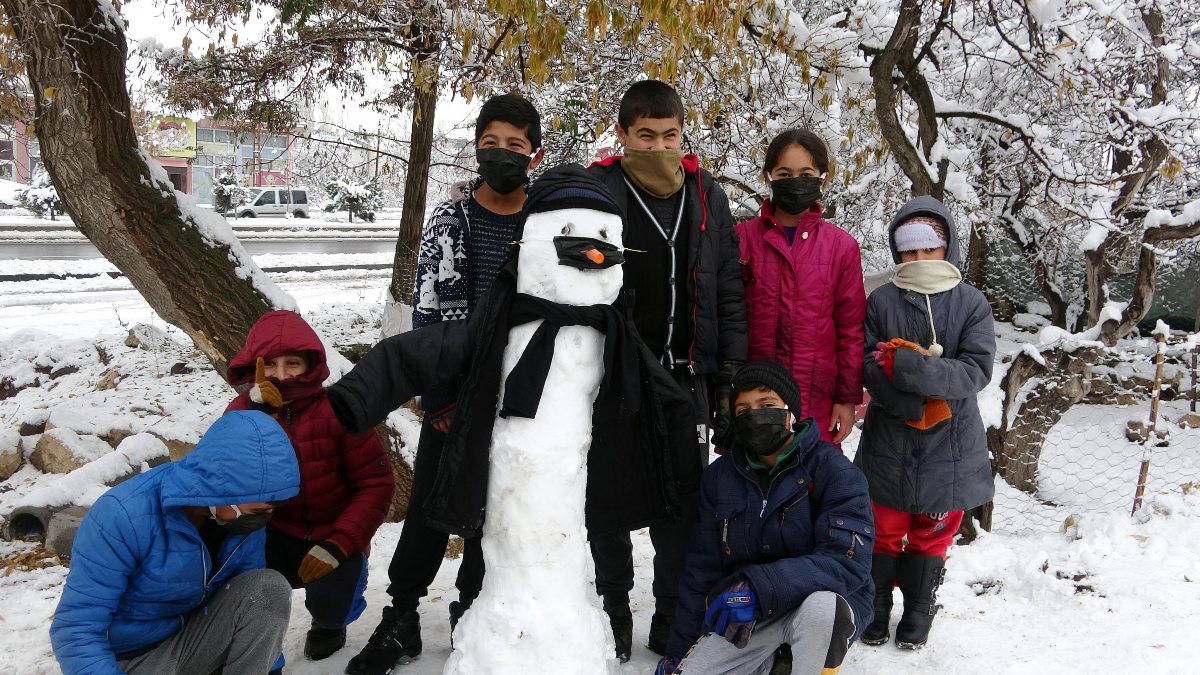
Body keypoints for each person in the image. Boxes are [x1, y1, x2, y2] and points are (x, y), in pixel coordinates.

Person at [346, 93, 545, 675]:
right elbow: (428, 315)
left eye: (515, 145)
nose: (502, 154)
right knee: (431, 511)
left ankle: (472, 612)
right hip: (453, 398)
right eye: (491, 143)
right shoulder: (450, 220)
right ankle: (401, 617)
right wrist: (438, 399)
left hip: (518, 398)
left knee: (493, 513)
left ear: (534, 153)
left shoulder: (544, 222)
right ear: (476, 148)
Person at [585, 79, 747, 661]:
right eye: (646, 135)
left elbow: (727, 287)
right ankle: (613, 609)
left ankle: (671, 613)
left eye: (669, 135)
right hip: (616, 375)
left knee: (680, 505)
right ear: (623, 134)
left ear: (683, 133)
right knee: (607, 499)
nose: (658, 146)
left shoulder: (707, 194)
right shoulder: (599, 189)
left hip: (685, 376)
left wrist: (727, 374)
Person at [656, 361, 874, 675]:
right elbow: (701, 569)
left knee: (824, 610)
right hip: (745, 611)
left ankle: (801, 664)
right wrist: (679, 653)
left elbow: (846, 561)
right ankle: (771, 662)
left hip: (811, 603)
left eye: (767, 404)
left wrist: (760, 587)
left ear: (791, 412)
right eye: (743, 410)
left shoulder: (836, 472)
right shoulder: (719, 478)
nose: (754, 415)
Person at [50, 410, 300, 675]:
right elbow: (77, 629)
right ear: (222, 491)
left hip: (190, 639)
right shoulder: (122, 515)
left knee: (268, 588)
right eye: (259, 510)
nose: (265, 517)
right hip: (131, 658)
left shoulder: (241, 521)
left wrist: (269, 668)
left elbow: (255, 606)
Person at [855, 196, 996, 650]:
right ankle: (875, 603)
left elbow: (975, 370)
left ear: (946, 247)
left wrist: (912, 368)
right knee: (882, 526)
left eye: (928, 248)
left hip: (950, 443)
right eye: (909, 250)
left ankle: (918, 606)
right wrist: (911, 404)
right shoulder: (881, 300)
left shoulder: (971, 303)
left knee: (933, 532)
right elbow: (866, 362)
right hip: (889, 439)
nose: (919, 258)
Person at [224, 310, 394, 661]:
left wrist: (341, 543)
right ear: (255, 367)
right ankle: (250, 638)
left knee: (333, 606)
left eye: (292, 363)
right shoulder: (240, 412)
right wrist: (258, 418)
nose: (281, 375)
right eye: (270, 364)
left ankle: (330, 624)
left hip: (333, 533)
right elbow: (225, 478)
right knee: (240, 587)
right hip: (273, 531)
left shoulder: (339, 410)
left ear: (310, 365)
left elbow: (375, 484)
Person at [736, 128, 865, 447]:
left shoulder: (841, 247)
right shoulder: (741, 239)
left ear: (822, 177)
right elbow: (726, 319)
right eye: (784, 173)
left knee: (813, 476)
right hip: (753, 401)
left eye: (806, 174)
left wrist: (847, 398)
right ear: (768, 177)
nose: (795, 181)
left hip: (816, 401)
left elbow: (850, 329)